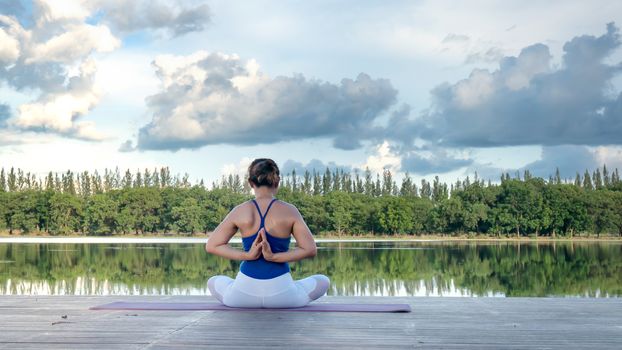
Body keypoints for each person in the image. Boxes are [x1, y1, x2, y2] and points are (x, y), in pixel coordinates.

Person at [205, 158, 330, 308]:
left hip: (241, 297)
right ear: (277, 182)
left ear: (250, 183)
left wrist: (247, 255)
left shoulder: (240, 211)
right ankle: (292, 286)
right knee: (323, 280)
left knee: (213, 281)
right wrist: (274, 257)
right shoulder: (290, 211)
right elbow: (310, 250)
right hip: (284, 297)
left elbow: (212, 246)